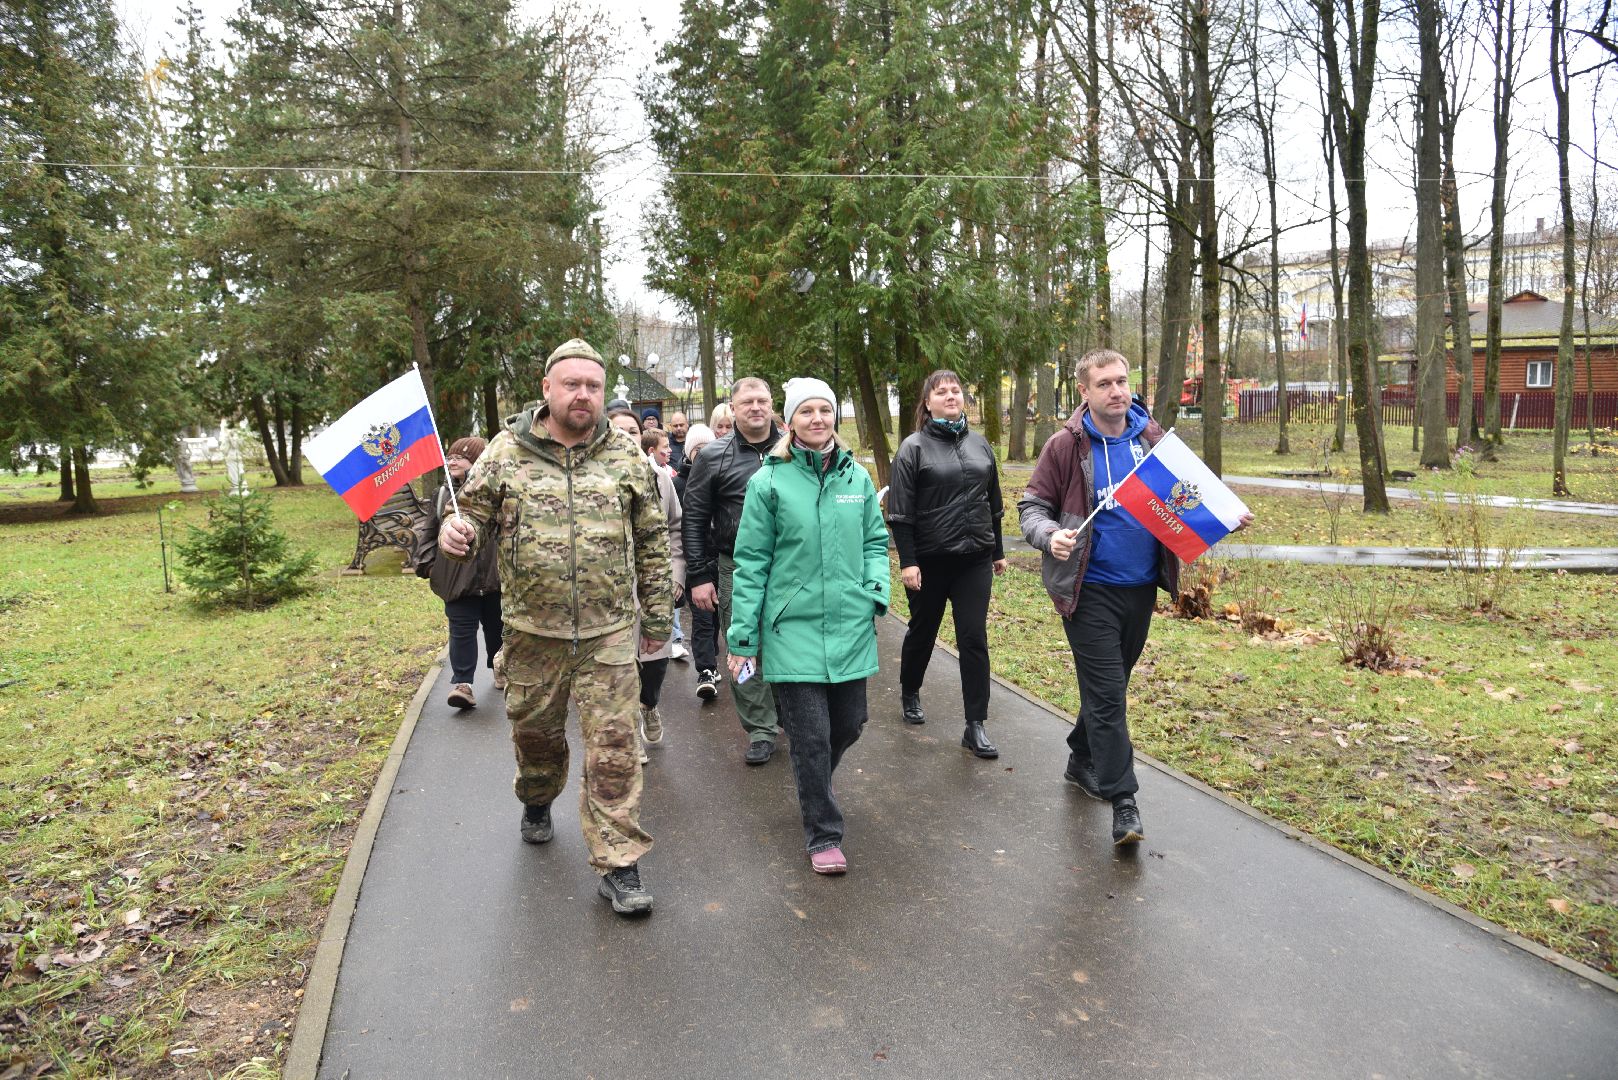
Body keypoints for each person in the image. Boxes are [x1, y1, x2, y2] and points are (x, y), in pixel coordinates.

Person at [440, 338, 673, 915]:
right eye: (572, 384)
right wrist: (455, 530)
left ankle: (619, 862)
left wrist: (659, 616)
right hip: (530, 633)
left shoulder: (624, 455)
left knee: (614, 747)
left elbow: (651, 539)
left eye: (593, 386)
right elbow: (469, 513)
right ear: (547, 388)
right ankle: (537, 797)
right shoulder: (505, 452)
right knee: (536, 738)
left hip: (608, 632)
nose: (583, 395)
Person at [1018, 348, 1250, 847]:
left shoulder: (1155, 441)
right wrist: (1048, 535)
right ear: (1084, 390)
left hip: (1141, 587)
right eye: (1104, 383)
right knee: (1106, 696)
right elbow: (1032, 506)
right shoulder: (1066, 446)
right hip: (1087, 589)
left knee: (1111, 688)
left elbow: (1186, 502)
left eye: (1122, 381)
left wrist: (1224, 515)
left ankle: (1082, 758)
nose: (1117, 391)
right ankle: (1125, 802)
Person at [727, 377, 890, 874]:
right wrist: (744, 638)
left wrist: (875, 589)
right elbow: (751, 563)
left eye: (825, 410)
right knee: (811, 735)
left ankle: (813, 782)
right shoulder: (768, 481)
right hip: (790, 629)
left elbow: (874, 542)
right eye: (806, 412)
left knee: (850, 723)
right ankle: (823, 833)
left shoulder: (855, 478)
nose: (817, 419)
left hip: (849, 624)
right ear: (789, 421)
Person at [885, 369, 1006, 759]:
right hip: (929, 561)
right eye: (942, 391)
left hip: (974, 560)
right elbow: (900, 512)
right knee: (923, 630)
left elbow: (994, 503)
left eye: (956, 390)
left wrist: (997, 551)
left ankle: (976, 724)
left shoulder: (980, 445)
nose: (951, 396)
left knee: (973, 638)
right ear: (928, 402)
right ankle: (909, 690)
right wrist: (908, 561)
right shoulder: (913, 448)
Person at [683, 379, 783, 758]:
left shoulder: (794, 448)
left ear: (772, 405)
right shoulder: (713, 457)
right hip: (735, 566)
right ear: (734, 407)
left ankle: (788, 712)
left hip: (790, 565)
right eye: (747, 402)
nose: (755, 408)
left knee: (788, 640)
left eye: (762, 401)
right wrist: (699, 576)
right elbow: (694, 519)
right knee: (744, 644)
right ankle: (760, 727)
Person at [417, 437, 503, 711]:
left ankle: (500, 667)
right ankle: (463, 684)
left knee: (497, 629)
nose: (452, 461)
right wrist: (431, 566)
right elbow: (428, 532)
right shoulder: (442, 494)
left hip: (494, 579)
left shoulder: (496, 492)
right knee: (461, 630)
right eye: (450, 456)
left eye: (461, 457)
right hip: (456, 580)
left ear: (479, 461)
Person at [636, 428, 685, 755]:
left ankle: (648, 705)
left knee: (654, 662)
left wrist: (677, 575)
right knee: (616, 669)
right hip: (609, 596)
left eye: (631, 430)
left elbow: (675, 528)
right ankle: (626, 737)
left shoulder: (660, 479)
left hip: (655, 587)